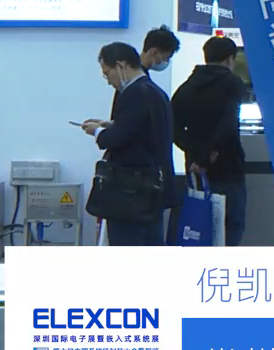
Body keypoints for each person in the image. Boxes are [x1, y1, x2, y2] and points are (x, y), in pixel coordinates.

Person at [82, 42, 176, 247]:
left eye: (107, 74)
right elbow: (141, 130)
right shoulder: (155, 92)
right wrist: (113, 125)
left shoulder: (133, 93)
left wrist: (98, 132)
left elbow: (116, 139)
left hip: (131, 193)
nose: (108, 81)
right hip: (153, 189)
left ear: (121, 65)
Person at [171, 35, 247, 246]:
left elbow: (172, 125)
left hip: (196, 171)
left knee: (200, 226)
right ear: (230, 59)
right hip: (228, 166)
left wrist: (196, 155)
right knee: (231, 225)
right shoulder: (232, 82)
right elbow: (228, 123)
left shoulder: (188, 86)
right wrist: (207, 155)